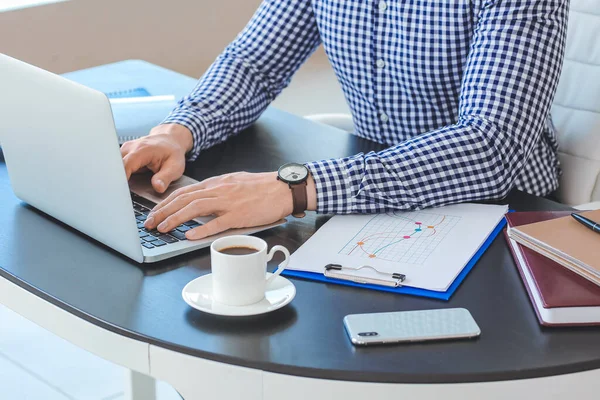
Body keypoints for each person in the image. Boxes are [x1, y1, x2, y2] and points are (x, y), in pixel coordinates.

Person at [121, 0, 568, 240]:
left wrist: (293, 187)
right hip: (372, 194)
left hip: (506, 211)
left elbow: (489, 147)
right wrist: (178, 131)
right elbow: (253, 65)